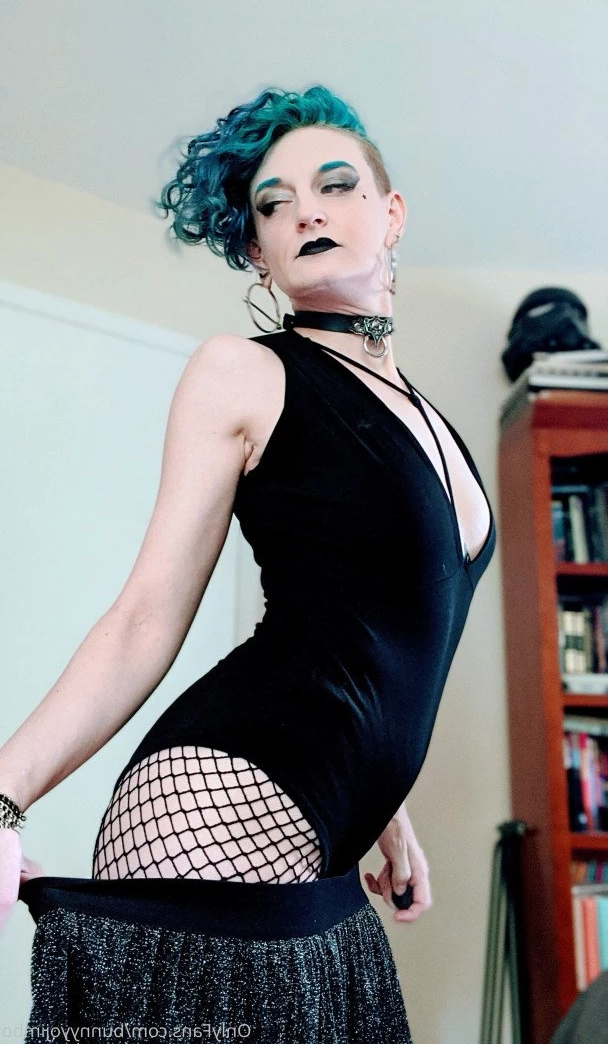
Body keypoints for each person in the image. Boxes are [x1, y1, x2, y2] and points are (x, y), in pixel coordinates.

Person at [0, 85, 496, 1041]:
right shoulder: (246, 372)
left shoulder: (431, 419)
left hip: (329, 843)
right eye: (274, 204)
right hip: (219, 815)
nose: (306, 210)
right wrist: (2, 797)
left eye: (336, 185)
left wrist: (385, 809)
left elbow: (378, 632)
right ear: (259, 254)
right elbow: (145, 618)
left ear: (392, 215)